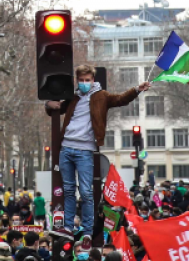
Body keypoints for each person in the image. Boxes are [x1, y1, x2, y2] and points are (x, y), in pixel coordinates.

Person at [43, 64, 148, 237]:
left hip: (85, 150)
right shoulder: (72, 96)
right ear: (77, 80)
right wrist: (48, 104)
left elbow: (121, 99)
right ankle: (68, 227)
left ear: (93, 80)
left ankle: (87, 230)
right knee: (68, 190)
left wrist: (137, 89)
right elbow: (56, 109)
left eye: (87, 80)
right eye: (81, 80)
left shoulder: (101, 96)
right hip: (66, 148)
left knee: (85, 191)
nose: (84, 83)